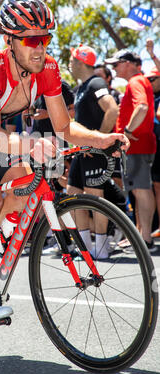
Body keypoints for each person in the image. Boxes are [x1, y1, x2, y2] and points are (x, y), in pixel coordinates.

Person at [0, 0, 129, 323]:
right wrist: (33, 144)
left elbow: (63, 127)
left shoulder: (47, 68)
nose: (40, 47)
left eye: (45, 38)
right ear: (9, 40)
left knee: (23, 183)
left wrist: (100, 139)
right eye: (31, 39)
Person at [66, 44, 121, 259]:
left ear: (80, 62)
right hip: (82, 153)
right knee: (72, 196)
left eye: (71, 60)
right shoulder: (81, 89)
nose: (69, 65)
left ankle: (101, 248)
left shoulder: (96, 82)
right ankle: (86, 248)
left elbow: (112, 109)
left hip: (95, 152)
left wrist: (98, 140)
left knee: (95, 198)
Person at [105, 49, 157, 253]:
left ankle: (145, 240)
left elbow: (142, 107)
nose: (113, 68)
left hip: (136, 146)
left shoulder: (136, 81)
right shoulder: (140, 81)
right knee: (141, 190)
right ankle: (144, 237)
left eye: (116, 64)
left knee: (141, 190)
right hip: (139, 145)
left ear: (127, 63)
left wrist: (127, 130)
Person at [144, 66, 160, 239]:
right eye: (147, 80)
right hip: (155, 147)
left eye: (153, 79)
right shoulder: (152, 96)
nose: (149, 83)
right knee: (156, 187)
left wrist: (151, 54)